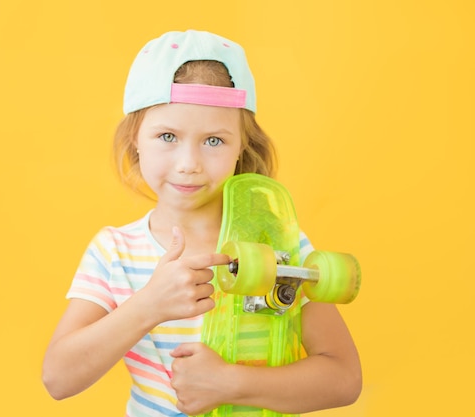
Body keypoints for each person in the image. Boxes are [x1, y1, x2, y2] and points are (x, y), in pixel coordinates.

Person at [42, 30, 362, 417]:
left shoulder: (277, 245)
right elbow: (58, 379)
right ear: (135, 139)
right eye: (167, 136)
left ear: (243, 145)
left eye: (214, 141)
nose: (189, 163)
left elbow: (343, 379)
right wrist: (149, 305)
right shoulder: (115, 252)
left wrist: (231, 383)